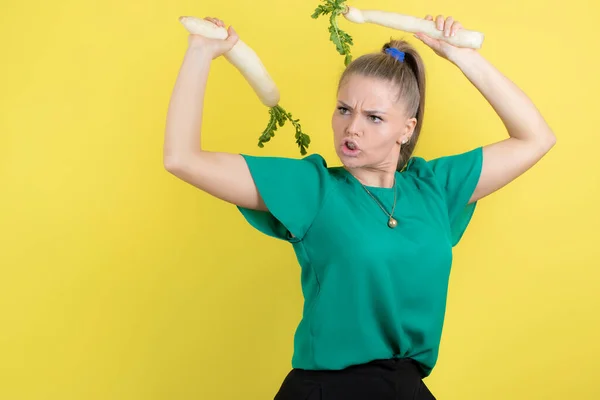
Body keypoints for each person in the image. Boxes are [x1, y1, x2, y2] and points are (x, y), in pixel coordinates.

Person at [163, 13, 556, 400]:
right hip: (330, 390)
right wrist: (200, 51)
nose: (352, 128)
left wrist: (462, 57)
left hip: (405, 387)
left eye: (374, 117)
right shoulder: (314, 189)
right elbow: (183, 158)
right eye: (344, 109)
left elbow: (535, 138)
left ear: (407, 128)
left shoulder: (435, 188)